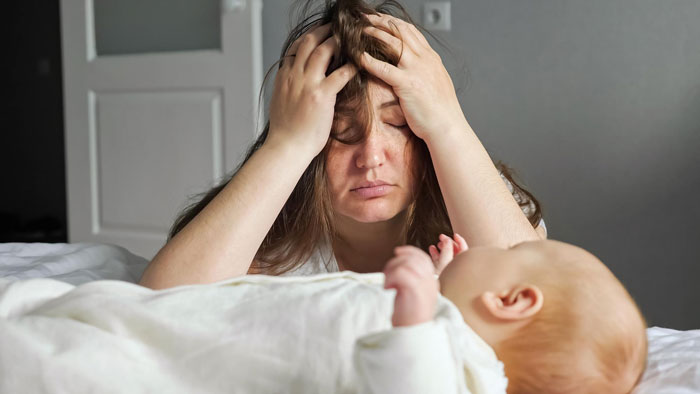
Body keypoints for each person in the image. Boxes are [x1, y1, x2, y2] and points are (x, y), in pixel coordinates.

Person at [138, 0, 546, 290]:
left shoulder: (479, 195)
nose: (371, 158)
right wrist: (287, 143)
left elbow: (538, 292)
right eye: (342, 132)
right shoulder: (272, 234)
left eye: (398, 124)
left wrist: (449, 122)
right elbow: (162, 300)